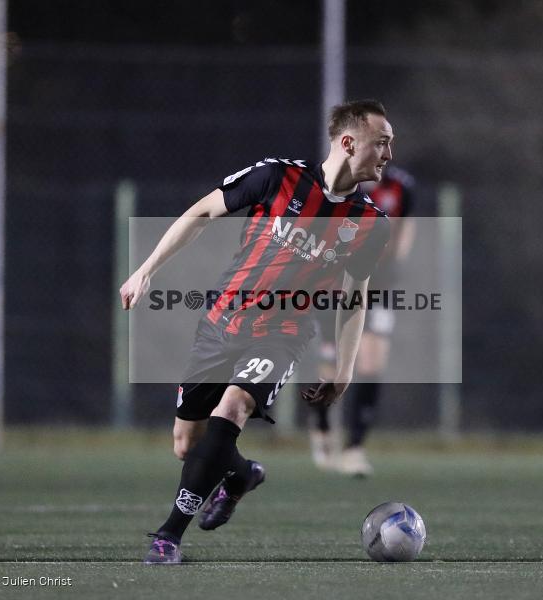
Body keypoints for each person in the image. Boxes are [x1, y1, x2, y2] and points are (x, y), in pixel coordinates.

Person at [120, 99, 394, 564]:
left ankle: (168, 537)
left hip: (283, 333)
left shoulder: (370, 223)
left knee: (233, 408)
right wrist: (146, 270)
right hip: (220, 323)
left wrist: (344, 370)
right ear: (349, 142)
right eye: (382, 143)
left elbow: (354, 297)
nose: (388, 154)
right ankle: (242, 475)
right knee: (187, 444)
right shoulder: (277, 177)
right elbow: (202, 213)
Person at [308, 166, 416, 477]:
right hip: (335, 281)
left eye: (387, 143)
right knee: (331, 364)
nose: (383, 151)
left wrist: (395, 264)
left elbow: (404, 227)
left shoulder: (400, 186)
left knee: (371, 362)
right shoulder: (333, 183)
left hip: (379, 282)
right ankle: (322, 425)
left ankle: (354, 448)